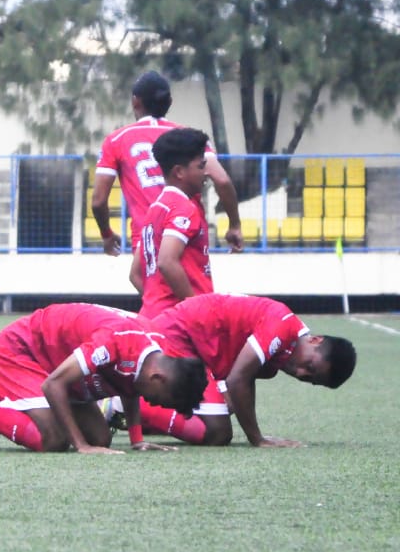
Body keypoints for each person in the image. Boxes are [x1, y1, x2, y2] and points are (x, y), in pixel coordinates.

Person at [0, 303, 208, 454]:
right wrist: (82, 446)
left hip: (61, 367)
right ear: (158, 377)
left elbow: (133, 385)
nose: (155, 404)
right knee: (53, 440)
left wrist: (137, 439)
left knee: (102, 438)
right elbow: (53, 384)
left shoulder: (152, 352)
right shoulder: (112, 343)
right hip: (21, 351)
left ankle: (5, 400)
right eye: (161, 400)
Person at [142, 293, 356, 447]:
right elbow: (238, 379)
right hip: (177, 335)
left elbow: (242, 382)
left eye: (310, 379)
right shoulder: (283, 326)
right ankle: (126, 405)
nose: (301, 374)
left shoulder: (281, 355)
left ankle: (134, 413)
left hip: (194, 350)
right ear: (315, 340)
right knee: (218, 432)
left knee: (225, 407)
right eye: (310, 366)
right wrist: (258, 439)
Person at [91, 70, 243, 264]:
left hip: (148, 239)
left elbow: (97, 201)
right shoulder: (190, 138)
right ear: (169, 102)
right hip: (188, 234)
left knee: (155, 293)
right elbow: (222, 180)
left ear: (135, 102)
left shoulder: (116, 140)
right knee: (193, 293)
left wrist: (107, 234)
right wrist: (234, 225)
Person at [134, 127, 215, 318]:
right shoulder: (183, 209)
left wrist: (155, 304)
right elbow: (167, 261)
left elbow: (135, 273)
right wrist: (195, 311)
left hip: (152, 317)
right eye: (201, 166)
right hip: (178, 327)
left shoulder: (155, 210)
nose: (206, 173)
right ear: (179, 172)